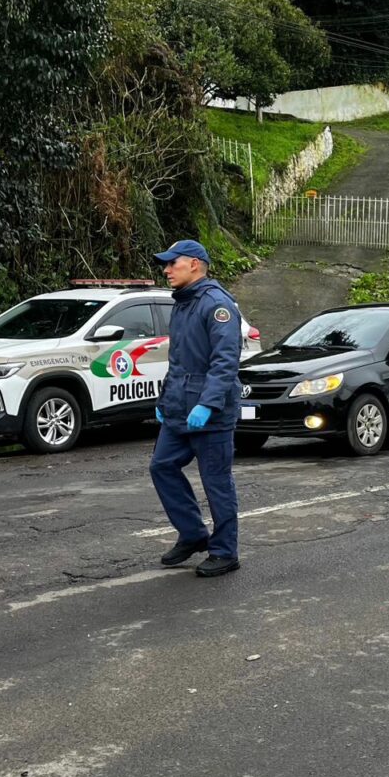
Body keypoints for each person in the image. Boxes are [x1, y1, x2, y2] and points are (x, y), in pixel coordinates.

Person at [150, 239, 243, 577]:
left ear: (194, 264)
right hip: (178, 408)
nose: (166, 269)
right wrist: (164, 401)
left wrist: (207, 403)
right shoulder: (184, 304)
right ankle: (193, 534)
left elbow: (225, 361)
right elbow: (178, 362)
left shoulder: (217, 305)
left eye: (172, 263)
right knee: (162, 467)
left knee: (216, 481)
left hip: (211, 413)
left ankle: (225, 551)